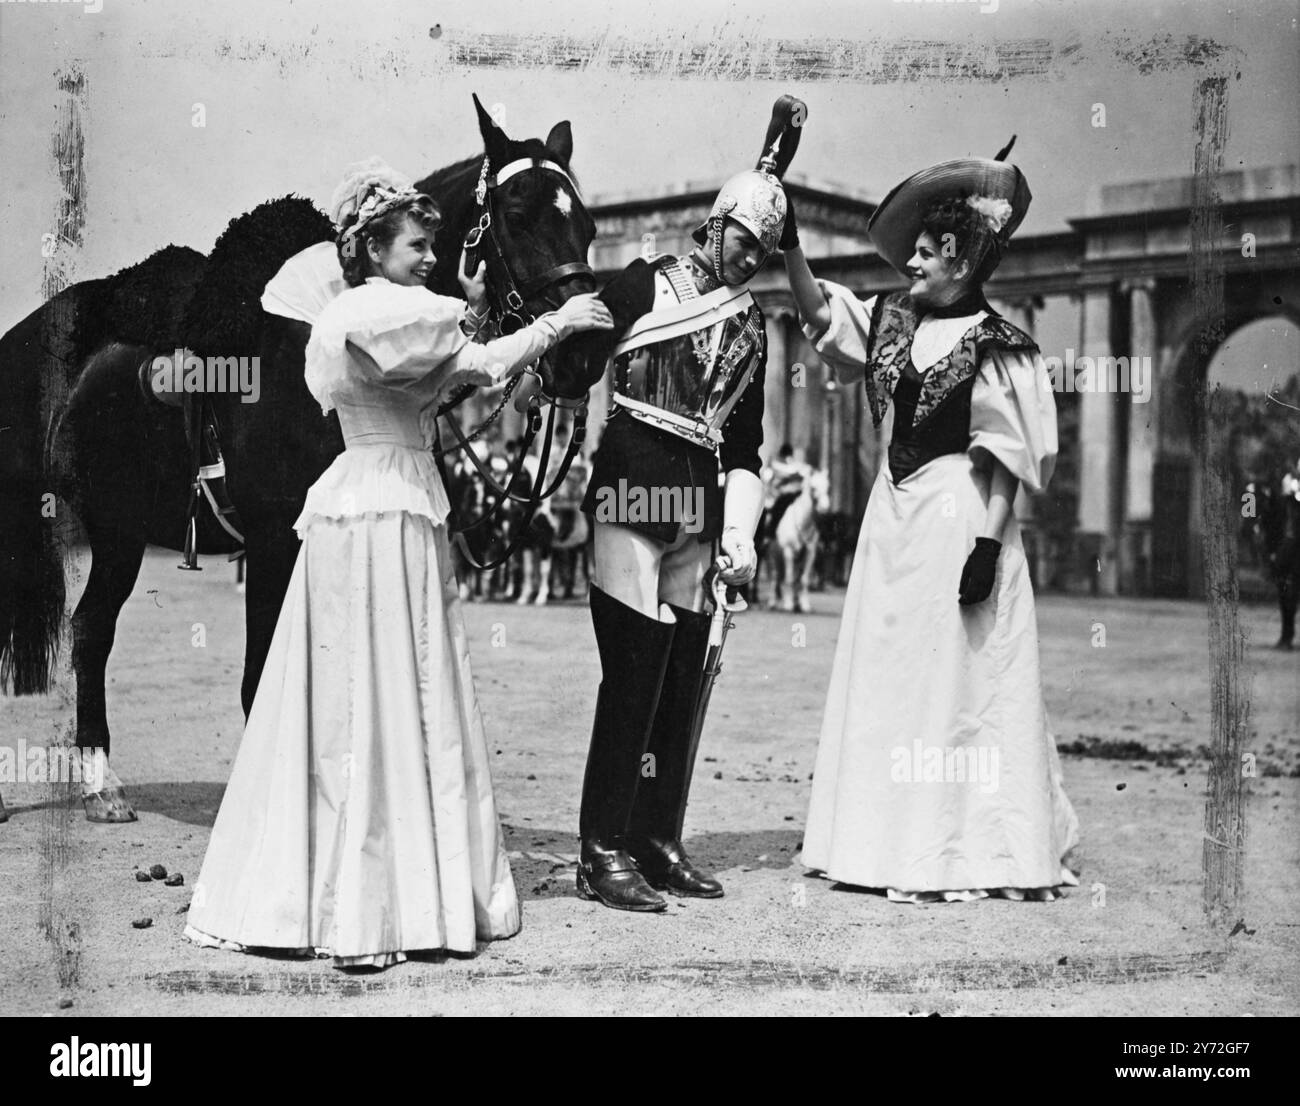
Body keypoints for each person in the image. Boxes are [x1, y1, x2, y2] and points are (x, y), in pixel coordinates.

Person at [184, 158, 612, 968]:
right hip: (383, 508)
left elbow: (454, 378)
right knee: (388, 689)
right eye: (417, 244)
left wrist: (509, 347)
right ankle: (379, 905)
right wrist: (557, 325)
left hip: (381, 502)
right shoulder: (379, 312)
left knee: (371, 692)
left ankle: (369, 890)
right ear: (375, 247)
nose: (429, 255)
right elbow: (467, 359)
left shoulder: (379, 320)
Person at [783, 142, 1079, 902]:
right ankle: (877, 841)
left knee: (956, 682)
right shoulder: (888, 321)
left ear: (958, 258)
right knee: (892, 677)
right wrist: (790, 247)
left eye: (923, 253)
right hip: (893, 524)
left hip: (958, 520)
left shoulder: (1000, 347)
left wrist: (987, 545)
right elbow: (819, 314)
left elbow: (1007, 458)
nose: (909, 264)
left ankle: (956, 851)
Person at [564, 98, 804, 911]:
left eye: (766, 252)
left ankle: (657, 838)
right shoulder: (644, 283)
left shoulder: (755, 329)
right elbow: (580, 355)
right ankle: (601, 849)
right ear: (717, 224)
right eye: (746, 242)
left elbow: (745, 446)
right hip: (632, 479)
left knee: (681, 681)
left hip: (699, 504)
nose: (752, 261)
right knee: (632, 673)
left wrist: (743, 532)